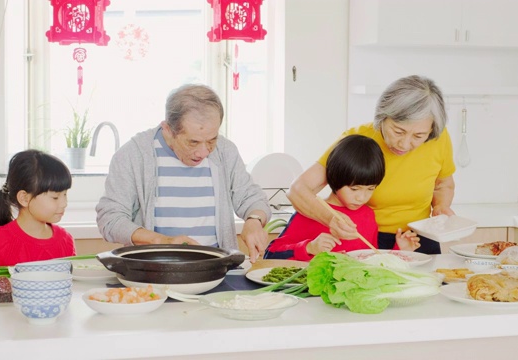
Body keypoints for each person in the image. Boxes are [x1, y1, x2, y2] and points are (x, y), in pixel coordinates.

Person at [96, 84, 271, 262]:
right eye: (193, 142)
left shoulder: (226, 151)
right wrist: (162, 242)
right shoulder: (134, 154)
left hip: (216, 271)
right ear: (168, 130)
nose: (204, 152)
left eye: (212, 140)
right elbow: (110, 218)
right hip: (153, 271)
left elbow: (252, 197)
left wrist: (254, 220)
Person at [287, 75, 455, 255]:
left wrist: (440, 206)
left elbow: (443, 184)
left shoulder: (438, 138)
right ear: (382, 117)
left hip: (420, 238)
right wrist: (331, 220)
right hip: (369, 239)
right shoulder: (358, 141)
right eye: (398, 131)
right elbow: (298, 190)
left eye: (418, 136)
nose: (405, 144)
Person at [0, 149, 76, 360]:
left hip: (53, 345)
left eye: (65, 194)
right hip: (9, 346)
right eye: (55, 196)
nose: (64, 203)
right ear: (24, 198)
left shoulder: (65, 241)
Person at [264, 135, 420, 261]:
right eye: (354, 189)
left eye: (370, 189)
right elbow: (271, 255)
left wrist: (400, 250)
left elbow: (372, 260)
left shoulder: (367, 215)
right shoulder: (309, 212)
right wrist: (309, 248)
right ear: (335, 178)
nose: (361, 197)